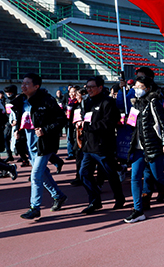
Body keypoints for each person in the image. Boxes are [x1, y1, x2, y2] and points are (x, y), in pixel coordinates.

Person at [124, 76, 164, 223]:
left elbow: (163, 124)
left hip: (153, 146)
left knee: (158, 176)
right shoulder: (135, 103)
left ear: (148, 88)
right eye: (135, 87)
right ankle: (138, 210)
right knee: (135, 177)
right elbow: (133, 124)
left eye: (140, 87)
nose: (137, 90)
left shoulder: (153, 102)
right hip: (138, 147)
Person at [13, 73, 68, 219]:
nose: (23, 86)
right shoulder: (21, 101)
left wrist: (45, 129)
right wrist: (17, 130)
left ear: (36, 86)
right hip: (29, 143)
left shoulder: (47, 100)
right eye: (22, 83)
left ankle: (34, 207)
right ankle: (58, 196)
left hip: (44, 144)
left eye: (27, 84)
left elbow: (62, 119)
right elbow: (21, 119)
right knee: (43, 173)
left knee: (35, 175)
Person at [78, 76, 126, 214]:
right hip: (88, 146)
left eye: (92, 87)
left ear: (100, 87)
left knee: (110, 174)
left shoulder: (108, 102)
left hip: (102, 146)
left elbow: (109, 123)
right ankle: (94, 201)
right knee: (84, 174)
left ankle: (119, 198)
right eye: (87, 87)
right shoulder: (87, 102)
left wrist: (88, 126)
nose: (89, 90)